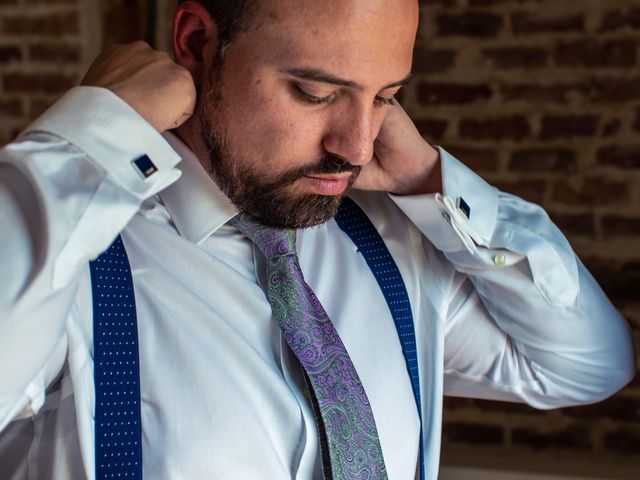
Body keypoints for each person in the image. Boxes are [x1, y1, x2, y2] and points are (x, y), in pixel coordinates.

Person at [0, 0, 635, 479]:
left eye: (385, 97)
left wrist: (428, 177)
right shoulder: (72, 260)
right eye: (316, 92)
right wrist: (93, 135)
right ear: (196, 43)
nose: (356, 147)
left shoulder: (388, 244)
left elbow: (585, 366)